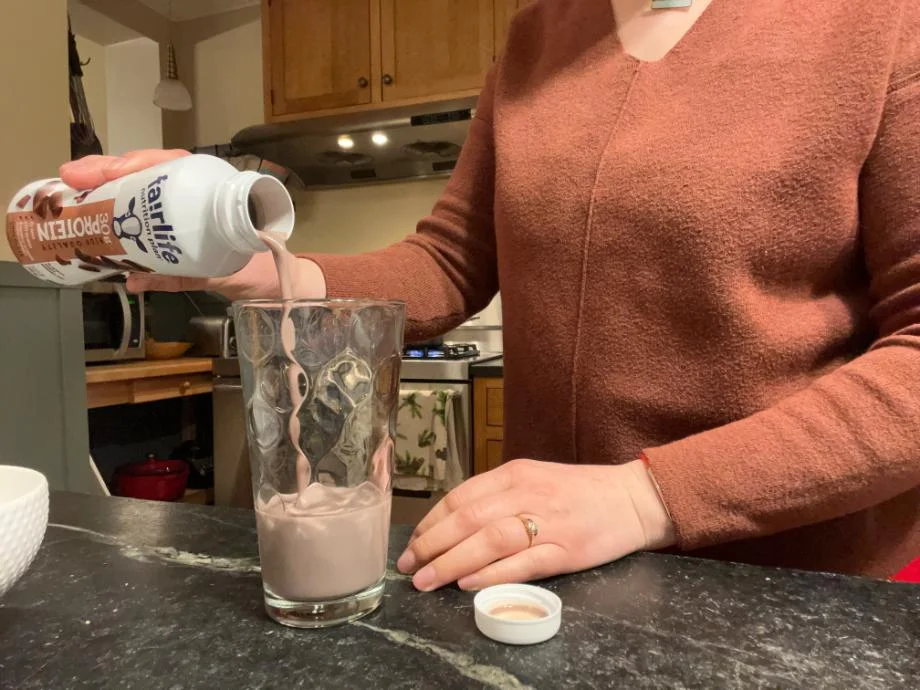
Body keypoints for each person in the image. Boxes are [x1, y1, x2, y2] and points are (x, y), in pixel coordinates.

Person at [61, 0, 920, 591]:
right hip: (555, 569)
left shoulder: (881, 22)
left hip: (801, 583)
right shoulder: (539, 37)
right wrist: (243, 258)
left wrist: (641, 496)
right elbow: (447, 263)